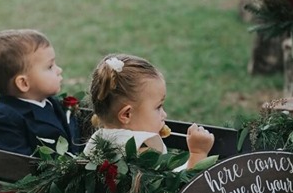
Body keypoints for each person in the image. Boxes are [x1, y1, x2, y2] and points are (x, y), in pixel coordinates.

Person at [84, 54, 214, 170]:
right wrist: (198, 154)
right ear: (127, 115)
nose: (164, 115)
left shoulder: (96, 143)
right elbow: (178, 191)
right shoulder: (143, 154)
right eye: (158, 107)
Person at [0, 29, 81, 156]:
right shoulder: (5, 117)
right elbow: (16, 164)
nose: (59, 70)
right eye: (50, 67)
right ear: (23, 83)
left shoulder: (51, 102)